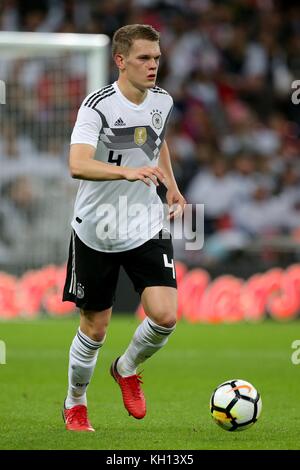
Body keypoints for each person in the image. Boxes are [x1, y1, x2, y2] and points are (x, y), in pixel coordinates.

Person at [62, 24, 186, 431]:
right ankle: (75, 403)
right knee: (94, 327)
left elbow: (157, 140)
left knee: (166, 315)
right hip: (96, 229)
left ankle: (127, 368)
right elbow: (78, 164)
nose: (153, 66)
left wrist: (170, 187)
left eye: (156, 58)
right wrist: (126, 176)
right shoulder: (96, 106)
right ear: (120, 60)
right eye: (143, 59)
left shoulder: (162, 101)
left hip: (142, 223)